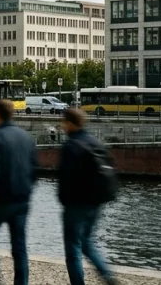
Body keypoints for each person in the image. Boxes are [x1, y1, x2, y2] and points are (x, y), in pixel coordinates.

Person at [0, 100, 38, 285]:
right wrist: (27, 191)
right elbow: (35, 169)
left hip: (0, 201)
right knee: (19, 246)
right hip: (22, 201)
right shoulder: (26, 137)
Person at [58, 109, 117, 285]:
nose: (63, 126)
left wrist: (64, 200)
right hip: (95, 203)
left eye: (64, 123)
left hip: (75, 205)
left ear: (70, 123)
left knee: (73, 249)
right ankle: (107, 275)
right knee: (86, 243)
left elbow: (65, 177)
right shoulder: (95, 142)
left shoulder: (71, 145)